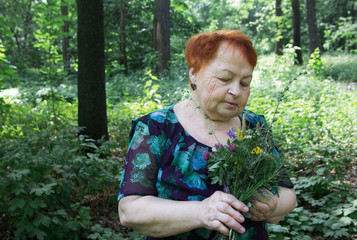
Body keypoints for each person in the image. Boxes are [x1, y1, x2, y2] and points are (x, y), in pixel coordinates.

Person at [117, 30, 297, 240]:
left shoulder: (255, 127)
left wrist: (272, 206)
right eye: (224, 78)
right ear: (194, 74)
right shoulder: (157, 128)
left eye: (245, 83)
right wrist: (201, 212)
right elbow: (130, 210)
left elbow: (287, 193)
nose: (236, 91)